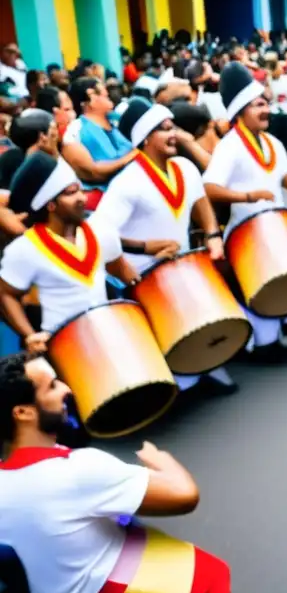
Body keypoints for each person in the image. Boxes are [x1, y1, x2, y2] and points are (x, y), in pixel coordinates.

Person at [0, 352, 231, 593]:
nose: (67, 388)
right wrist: (161, 461)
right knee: (212, 580)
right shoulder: (78, 470)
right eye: (52, 385)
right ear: (23, 412)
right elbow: (185, 495)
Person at [90, 98, 235, 394]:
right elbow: (97, 234)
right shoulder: (127, 183)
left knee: (198, 319)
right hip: (145, 275)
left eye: (173, 127)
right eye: (164, 129)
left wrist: (211, 234)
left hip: (182, 264)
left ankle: (206, 365)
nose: (174, 134)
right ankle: (180, 380)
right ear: (145, 139)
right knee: (167, 335)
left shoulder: (184, 167)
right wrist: (145, 248)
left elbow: (200, 201)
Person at [202, 62, 287, 359]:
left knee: (286, 277)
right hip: (246, 235)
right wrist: (247, 195)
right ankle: (263, 342)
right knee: (260, 287)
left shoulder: (272, 142)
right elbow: (209, 187)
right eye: (258, 106)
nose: (265, 109)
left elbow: (284, 176)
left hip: (276, 227)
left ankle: (286, 322)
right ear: (241, 111)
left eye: (265, 103)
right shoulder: (229, 147)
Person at [0, 153, 139, 354]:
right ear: (51, 205)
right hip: (63, 349)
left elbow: (123, 271)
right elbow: (5, 295)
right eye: (71, 193)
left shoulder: (101, 229)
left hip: (108, 336)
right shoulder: (24, 249)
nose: (82, 198)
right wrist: (29, 335)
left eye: (81, 190)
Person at [61, 77, 137, 211]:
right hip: (106, 201)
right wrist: (133, 156)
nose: (106, 92)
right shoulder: (76, 130)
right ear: (91, 96)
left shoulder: (117, 120)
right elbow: (93, 172)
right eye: (101, 90)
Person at [0, 109, 59, 190]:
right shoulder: (13, 160)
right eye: (52, 135)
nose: (56, 137)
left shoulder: (9, 155)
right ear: (42, 138)